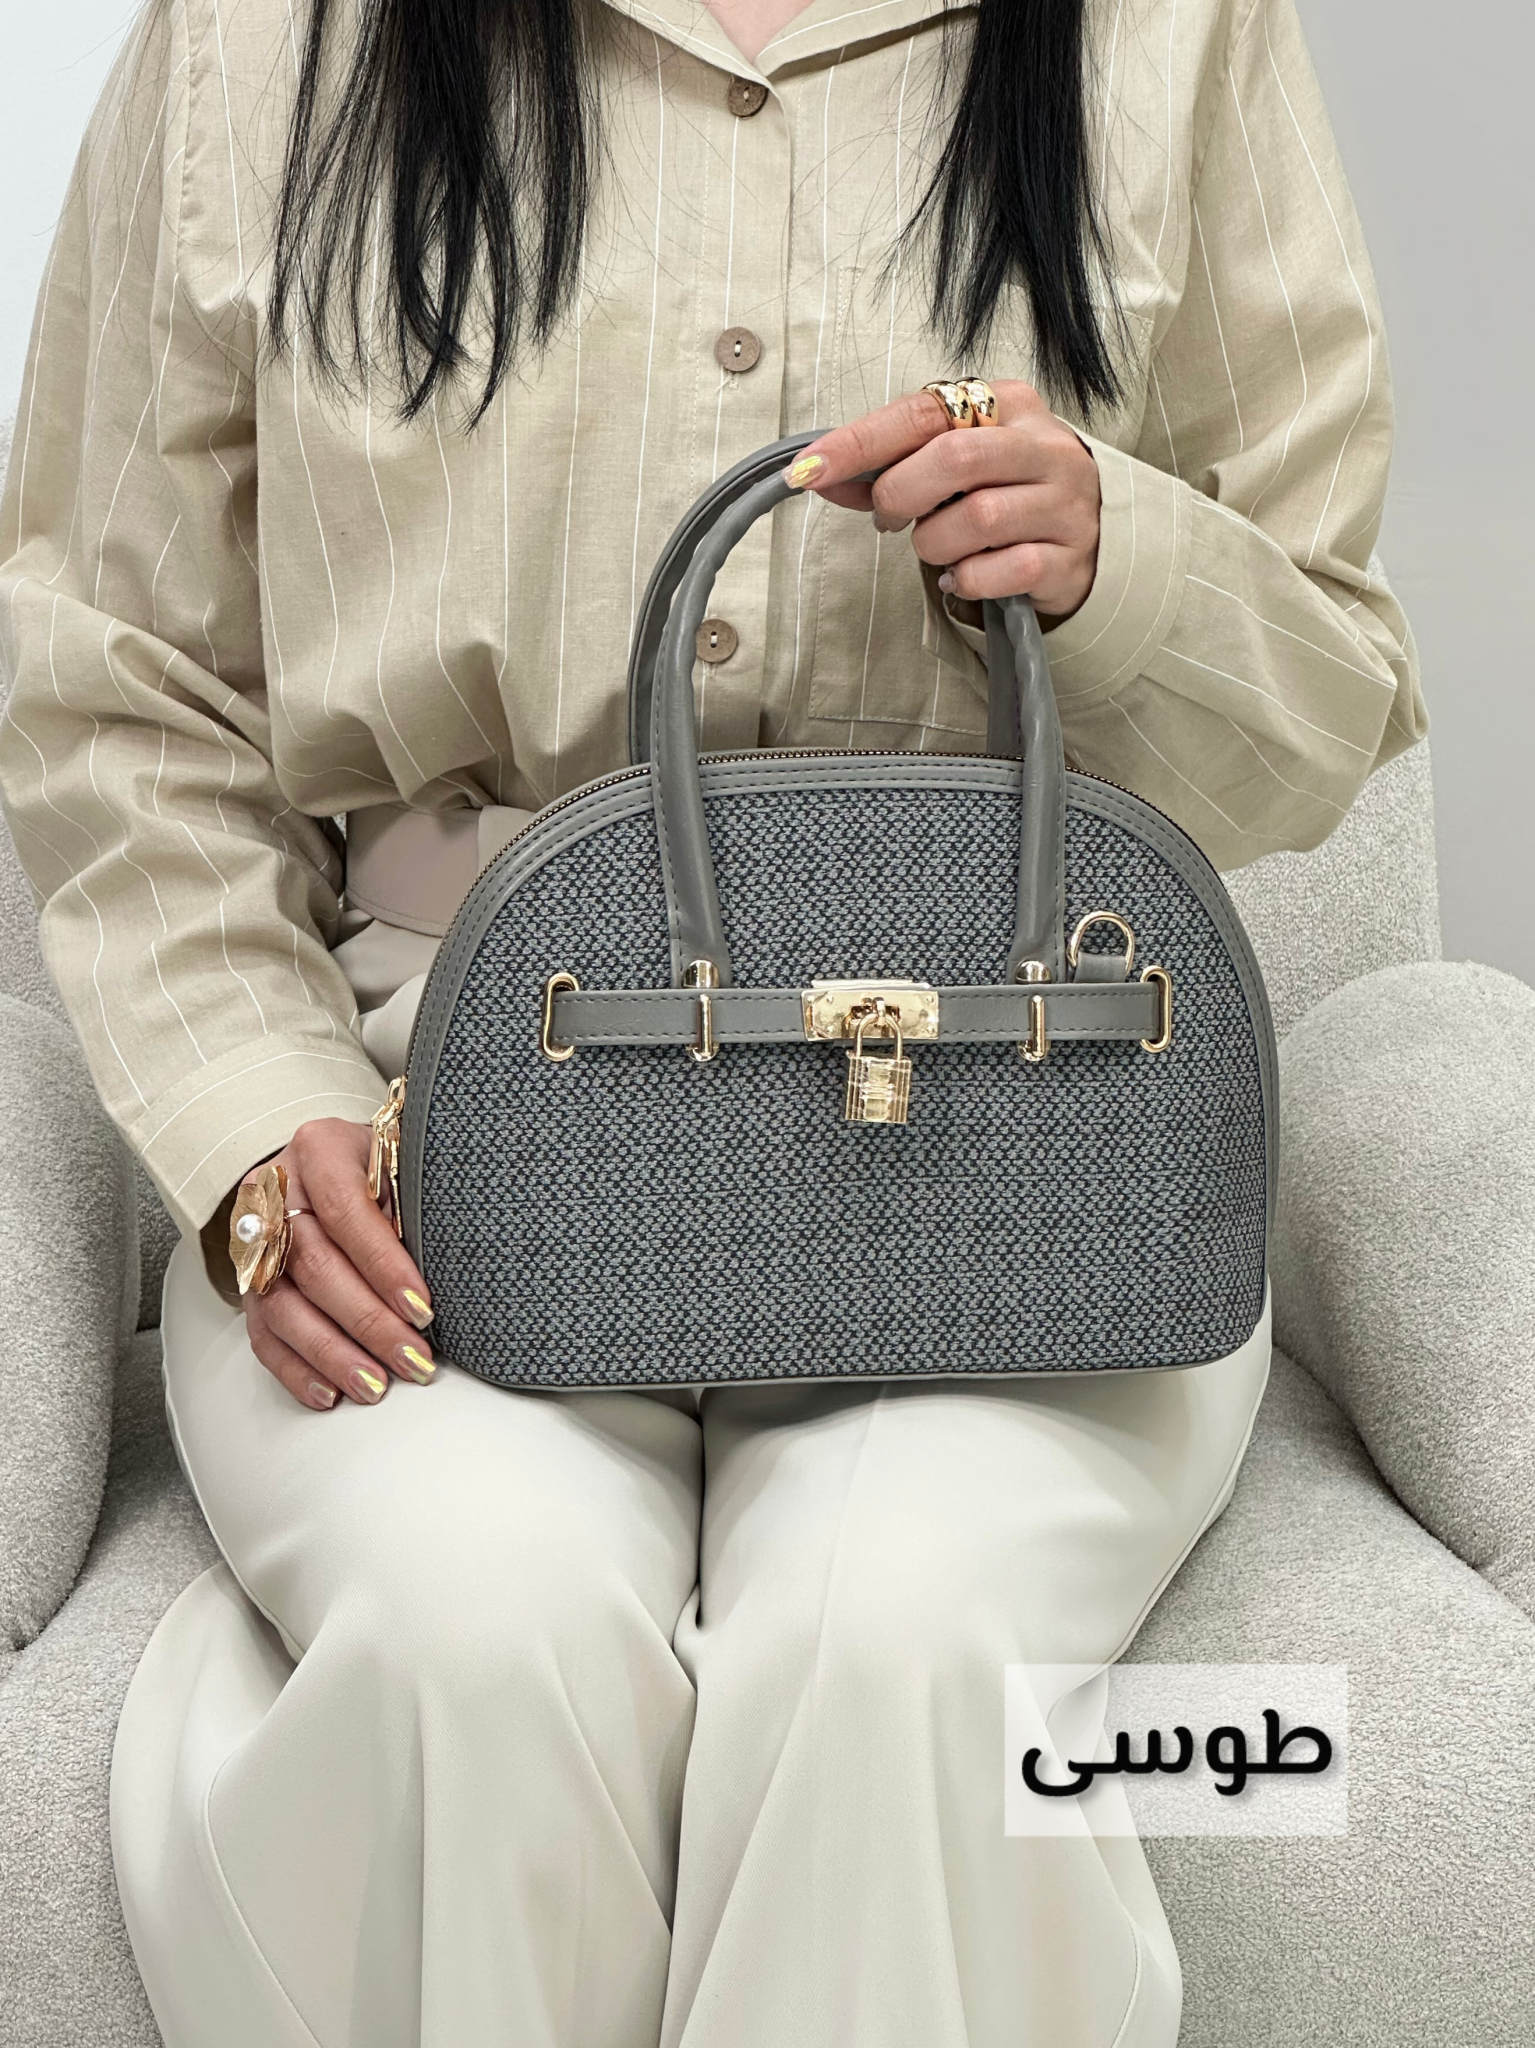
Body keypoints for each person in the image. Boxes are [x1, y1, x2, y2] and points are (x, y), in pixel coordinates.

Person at [0, 0, 1422, 2040]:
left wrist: (1121, 567)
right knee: (477, 1629)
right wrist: (247, 1098)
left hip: (1026, 1122)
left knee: (898, 1638)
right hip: (428, 1108)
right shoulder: (259, 40)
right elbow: (110, 672)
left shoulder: (1168, 29)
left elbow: (1324, 703)